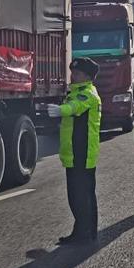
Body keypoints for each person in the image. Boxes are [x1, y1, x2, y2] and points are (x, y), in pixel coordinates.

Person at [47, 58, 101, 245]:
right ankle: (82, 231)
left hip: (82, 153)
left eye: (76, 73)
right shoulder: (76, 92)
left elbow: (75, 108)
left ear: (86, 76)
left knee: (82, 195)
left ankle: (86, 234)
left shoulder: (87, 94)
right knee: (77, 195)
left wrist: (60, 110)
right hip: (75, 153)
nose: (72, 75)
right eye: (72, 72)